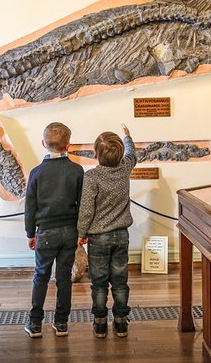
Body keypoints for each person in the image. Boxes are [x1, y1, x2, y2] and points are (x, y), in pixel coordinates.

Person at [24, 122, 84, 339]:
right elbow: (82, 204)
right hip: (69, 231)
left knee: (41, 275)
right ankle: (61, 323)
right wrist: (81, 231)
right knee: (64, 278)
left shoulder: (36, 173)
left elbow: (30, 206)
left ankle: (35, 324)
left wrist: (30, 233)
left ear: (43, 144)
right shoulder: (77, 171)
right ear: (68, 145)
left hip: (45, 232)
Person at [77, 123, 136, 338]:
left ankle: (100, 321)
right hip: (121, 236)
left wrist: (81, 233)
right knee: (120, 281)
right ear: (120, 154)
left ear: (95, 154)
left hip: (98, 238)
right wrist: (127, 136)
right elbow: (133, 154)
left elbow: (86, 209)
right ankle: (121, 321)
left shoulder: (91, 176)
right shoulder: (125, 168)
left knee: (99, 282)